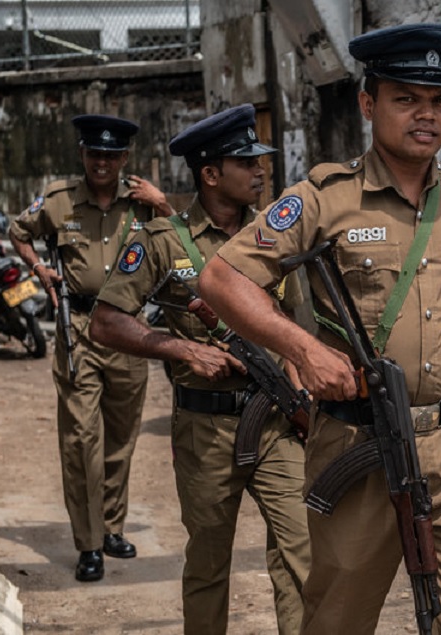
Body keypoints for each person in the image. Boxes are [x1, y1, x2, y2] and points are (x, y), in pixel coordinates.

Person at [198, 22, 441, 635]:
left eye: (438, 101)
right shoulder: (325, 197)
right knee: (339, 617)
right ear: (369, 104)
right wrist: (301, 349)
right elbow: (221, 280)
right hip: (359, 444)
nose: (426, 115)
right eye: (406, 99)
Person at [88, 104, 310, 635]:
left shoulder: (273, 237)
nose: (261, 171)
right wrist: (184, 350)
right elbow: (106, 323)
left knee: (302, 553)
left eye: (261, 161)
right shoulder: (163, 240)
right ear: (211, 174)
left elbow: (294, 329)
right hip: (206, 429)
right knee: (209, 562)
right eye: (246, 163)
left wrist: (304, 404)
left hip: (277, 421)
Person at [8, 114, 174, 583]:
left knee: (121, 438)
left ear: (125, 158)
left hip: (128, 329)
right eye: (94, 153)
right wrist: (39, 268)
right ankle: (89, 543)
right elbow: (20, 231)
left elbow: (182, 240)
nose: (102, 162)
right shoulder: (60, 201)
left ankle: (112, 528)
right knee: (82, 439)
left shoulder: (142, 203)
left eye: (111, 155)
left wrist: (162, 205)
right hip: (77, 328)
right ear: (83, 154)